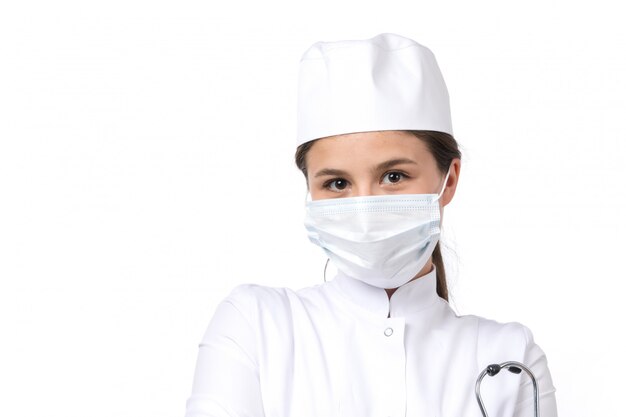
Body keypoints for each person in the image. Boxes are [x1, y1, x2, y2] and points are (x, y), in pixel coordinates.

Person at [184, 33, 558, 417]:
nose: (365, 208)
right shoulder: (256, 326)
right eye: (337, 183)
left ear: (450, 180)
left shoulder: (510, 359)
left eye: (394, 176)